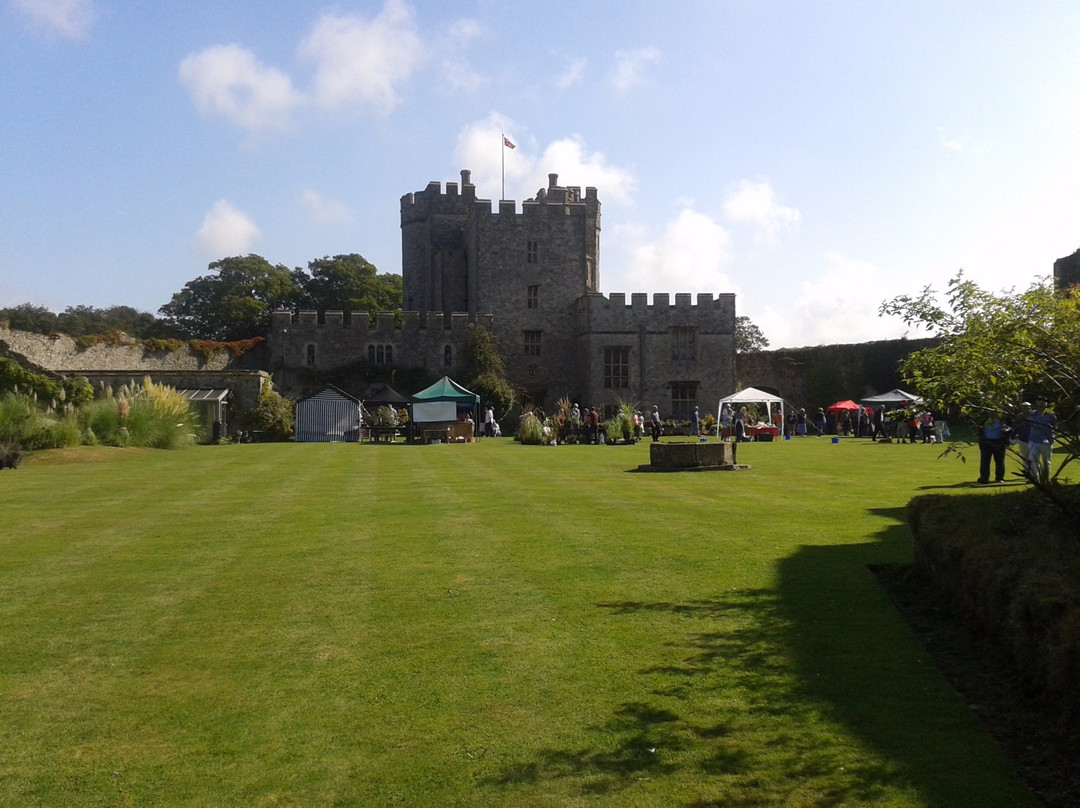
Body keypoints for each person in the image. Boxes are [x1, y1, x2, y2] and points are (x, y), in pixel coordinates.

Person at [1028, 397, 1056, 483]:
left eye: (1043, 406)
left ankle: (1045, 478)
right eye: (1039, 406)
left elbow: (1055, 427)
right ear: (1036, 405)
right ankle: (1034, 477)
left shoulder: (1051, 414)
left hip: (1046, 441)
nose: (1041, 408)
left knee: (1046, 462)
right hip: (1034, 440)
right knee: (1033, 460)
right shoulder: (1032, 414)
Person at [977, 415, 1009, 484]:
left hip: (999, 442)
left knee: (1000, 461)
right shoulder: (984, 418)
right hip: (986, 442)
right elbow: (979, 429)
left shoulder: (1003, 418)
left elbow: (1010, 427)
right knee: (985, 461)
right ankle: (984, 478)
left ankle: (1000, 478)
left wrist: (1007, 430)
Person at [1011, 402, 1031, 478]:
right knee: (1025, 458)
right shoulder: (1019, 417)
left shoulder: (1034, 416)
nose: (1027, 409)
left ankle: (1034, 473)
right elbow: (1015, 427)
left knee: (1033, 458)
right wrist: (1012, 437)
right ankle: (1027, 473)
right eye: (1025, 408)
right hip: (1023, 439)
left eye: (1028, 408)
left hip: (1033, 440)